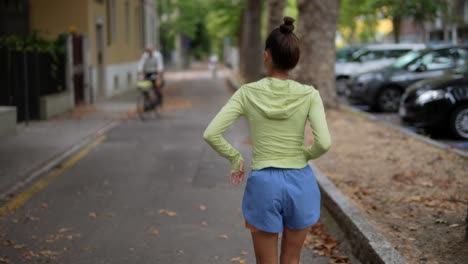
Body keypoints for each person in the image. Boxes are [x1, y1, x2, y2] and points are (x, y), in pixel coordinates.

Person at [203, 17, 331, 264]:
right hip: (300, 183)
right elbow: (324, 143)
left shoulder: (247, 93)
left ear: (266, 55)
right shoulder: (309, 95)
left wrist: (234, 157)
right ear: (294, 59)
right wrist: (303, 155)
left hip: (264, 184)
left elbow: (211, 133)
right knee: (292, 259)